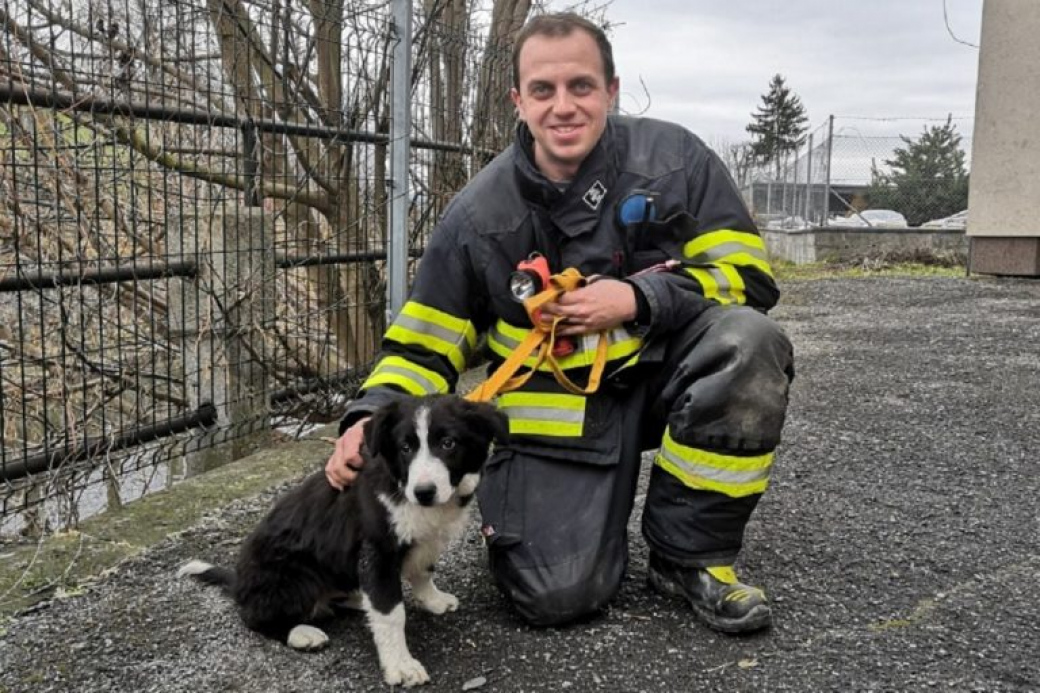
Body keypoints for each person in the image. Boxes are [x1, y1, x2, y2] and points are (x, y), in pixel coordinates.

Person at [326, 11, 794, 632]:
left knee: (749, 345)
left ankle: (689, 557)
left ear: (611, 90)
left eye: (581, 86)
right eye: (543, 91)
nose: (563, 107)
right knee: (554, 600)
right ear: (519, 101)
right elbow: (424, 342)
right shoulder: (477, 216)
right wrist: (366, 416)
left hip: (664, 383)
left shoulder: (678, 161)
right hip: (559, 425)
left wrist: (639, 299)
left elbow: (749, 276)